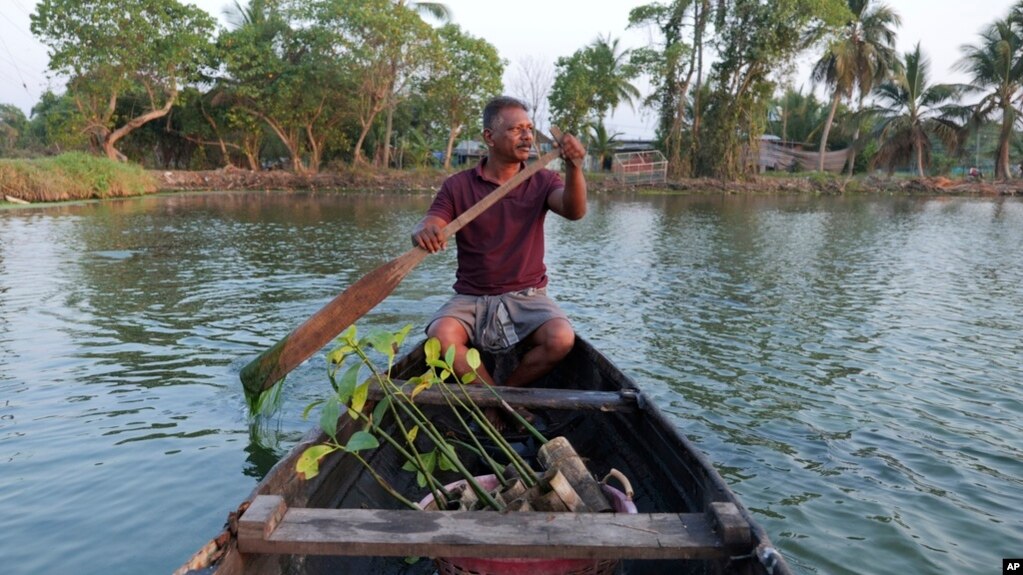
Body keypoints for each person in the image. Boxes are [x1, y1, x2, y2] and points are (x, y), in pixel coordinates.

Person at [411, 95, 587, 399]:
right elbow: (432, 221)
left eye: (529, 129)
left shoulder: (543, 181)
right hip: (471, 297)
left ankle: (499, 399)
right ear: (489, 138)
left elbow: (574, 211)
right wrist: (425, 231)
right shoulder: (458, 185)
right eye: (516, 129)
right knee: (440, 337)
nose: (527, 136)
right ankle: (503, 404)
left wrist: (575, 168)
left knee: (561, 338)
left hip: (527, 296)